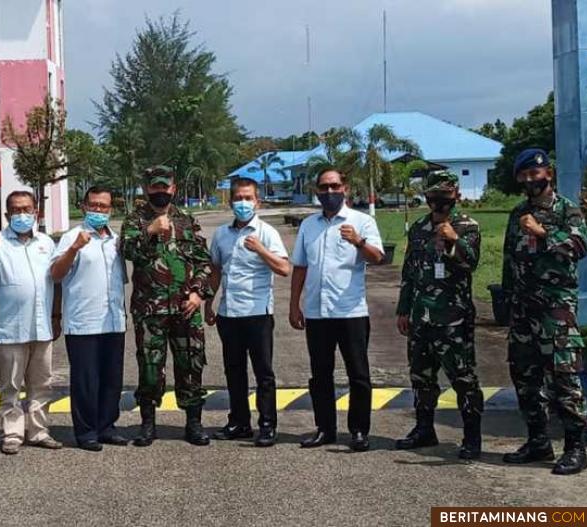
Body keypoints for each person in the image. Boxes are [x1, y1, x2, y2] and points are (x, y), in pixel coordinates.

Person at [501, 148, 587, 475]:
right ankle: (538, 441)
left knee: (564, 378)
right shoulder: (518, 212)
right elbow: (509, 261)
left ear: (548, 174)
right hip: (523, 310)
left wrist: (543, 233)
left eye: (534, 174)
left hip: (556, 310)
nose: (528, 180)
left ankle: (575, 447)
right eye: (523, 175)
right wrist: (506, 300)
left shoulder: (568, 210)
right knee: (525, 377)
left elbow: (580, 246)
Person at [289, 168, 384, 452]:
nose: (329, 192)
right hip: (318, 312)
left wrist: (358, 241)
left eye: (334, 186)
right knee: (320, 374)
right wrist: (294, 304)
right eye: (324, 187)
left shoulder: (361, 222)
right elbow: (301, 267)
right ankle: (325, 428)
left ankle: (358, 431)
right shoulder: (309, 225)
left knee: (358, 374)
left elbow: (378, 258)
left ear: (345, 187)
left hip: (351, 310)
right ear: (317, 191)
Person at [119, 165, 214, 447]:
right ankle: (148, 424)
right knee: (150, 367)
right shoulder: (135, 220)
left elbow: (204, 262)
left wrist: (198, 294)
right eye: (155, 187)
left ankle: (194, 423)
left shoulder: (187, 220)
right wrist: (149, 230)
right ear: (147, 188)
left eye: (165, 187)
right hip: (150, 310)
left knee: (191, 364)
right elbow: (127, 252)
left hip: (186, 309)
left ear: (173, 189)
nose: (160, 191)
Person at [394, 171, 484, 459]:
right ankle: (424, 429)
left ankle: (471, 437)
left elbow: (471, 263)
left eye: (445, 196)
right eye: (434, 196)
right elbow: (409, 272)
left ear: (455, 195)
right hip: (422, 316)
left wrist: (454, 240)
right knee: (421, 376)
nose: (439, 201)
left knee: (463, 378)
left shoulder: (467, 225)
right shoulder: (419, 227)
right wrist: (403, 309)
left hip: (453, 317)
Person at [0, 190, 63, 455]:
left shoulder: (46, 243)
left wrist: (56, 316)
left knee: (42, 383)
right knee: (10, 385)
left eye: (26, 209)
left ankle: (38, 431)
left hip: (42, 327)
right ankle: (12, 433)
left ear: (36, 212)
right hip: (11, 329)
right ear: (6, 214)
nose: (21, 214)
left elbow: (55, 282)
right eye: (15, 210)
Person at [205, 177, 289, 447]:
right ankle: (239, 421)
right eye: (238, 198)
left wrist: (260, 249)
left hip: (258, 313)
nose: (243, 203)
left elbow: (284, 268)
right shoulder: (221, 234)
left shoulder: (266, 232)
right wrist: (209, 302)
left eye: (248, 198)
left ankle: (267, 425)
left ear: (257, 201)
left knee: (263, 372)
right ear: (230, 202)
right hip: (229, 313)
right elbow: (216, 270)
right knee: (234, 371)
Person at [51, 186, 127, 452]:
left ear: (110, 209)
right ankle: (86, 432)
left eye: (103, 206)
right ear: (83, 207)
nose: (98, 210)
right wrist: (74, 249)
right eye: (93, 205)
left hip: (114, 319)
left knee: (111, 378)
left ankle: (107, 426)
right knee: (86, 380)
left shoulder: (116, 240)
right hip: (83, 321)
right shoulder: (72, 237)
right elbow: (56, 274)